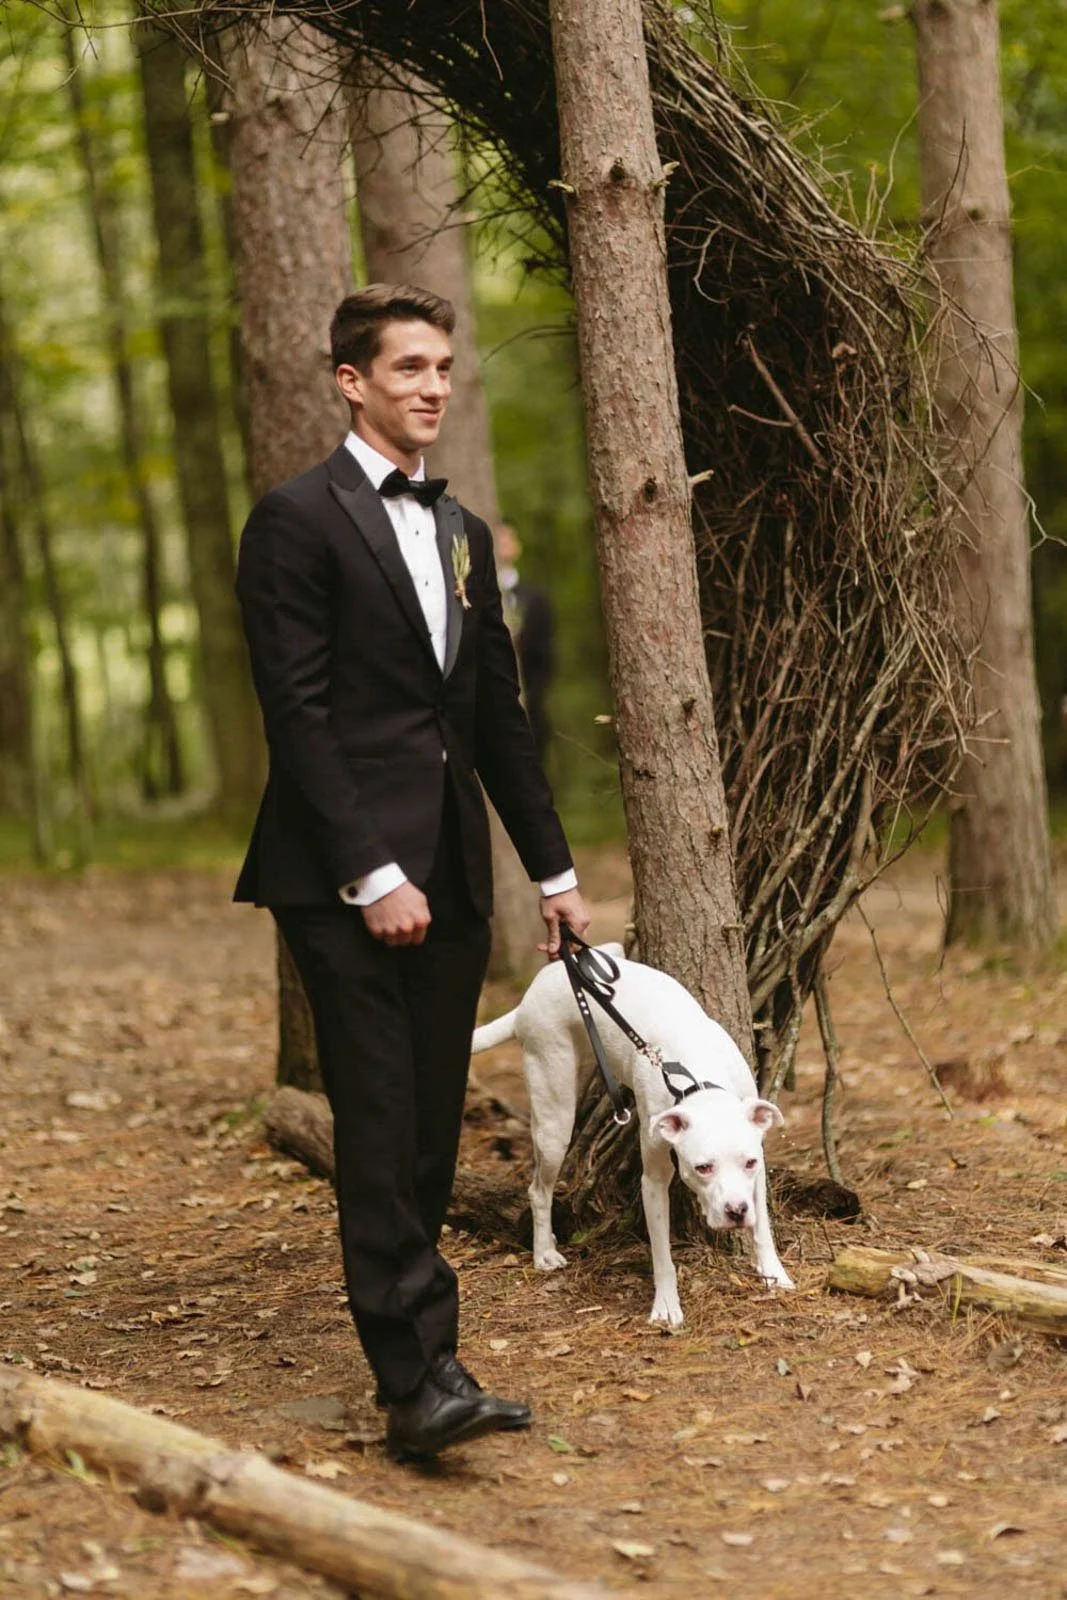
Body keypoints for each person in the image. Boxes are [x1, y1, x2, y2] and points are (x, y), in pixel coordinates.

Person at [233, 283, 589, 1462]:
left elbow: (496, 721)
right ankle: (416, 1381)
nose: (431, 385)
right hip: (342, 877)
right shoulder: (293, 521)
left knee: (432, 1122)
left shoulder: (462, 534)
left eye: (442, 366)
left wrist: (552, 871)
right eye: (406, 368)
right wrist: (371, 873)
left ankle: (426, 1360)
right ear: (352, 381)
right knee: (380, 1119)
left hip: (451, 872)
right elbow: (298, 716)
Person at [493, 523, 557, 761]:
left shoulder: (535, 599)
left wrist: (533, 697)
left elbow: (545, 655)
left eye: (508, 538)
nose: (502, 544)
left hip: (531, 709)